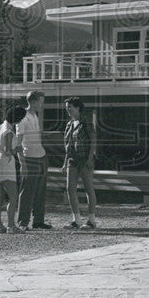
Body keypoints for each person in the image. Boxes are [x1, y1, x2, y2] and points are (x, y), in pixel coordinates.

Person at [15, 90, 51, 230]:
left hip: (41, 156)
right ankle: (23, 222)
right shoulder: (22, 118)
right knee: (27, 191)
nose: (41, 105)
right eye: (40, 102)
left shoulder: (35, 115)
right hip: (29, 158)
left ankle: (38, 221)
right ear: (34, 101)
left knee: (40, 191)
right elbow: (18, 143)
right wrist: (23, 164)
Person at [62, 97, 97, 230]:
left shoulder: (86, 122)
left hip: (84, 159)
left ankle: (91, 220)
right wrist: (65, 162)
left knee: (88, 188)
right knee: (70, 189)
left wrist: (90, 158)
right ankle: (76, 220)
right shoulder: (69, 124)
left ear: (77, 108)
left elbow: (93, 141)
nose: (68, 110)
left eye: (70, 107)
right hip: (72, 160)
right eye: (67, 108)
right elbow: (68, 145)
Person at [0, 106, 27, 234]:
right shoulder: (9, 132)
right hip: (5, 165)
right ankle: (11, 225)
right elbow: (7, 151)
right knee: (13, 197)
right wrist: (18, 149)